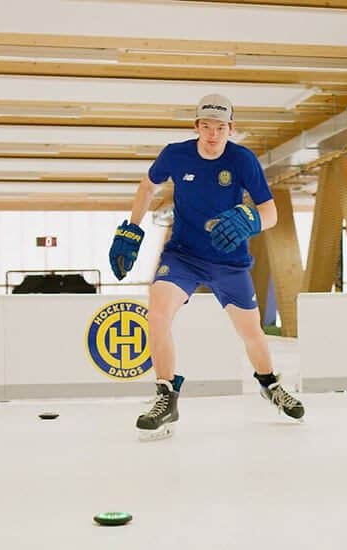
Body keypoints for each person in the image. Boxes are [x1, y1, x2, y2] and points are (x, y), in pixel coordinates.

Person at [108, 93, 305, 441]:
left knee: (252, 333)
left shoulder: (243, 160)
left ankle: (270, 383)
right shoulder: (175, 154)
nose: (213, 135)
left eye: (221, 128)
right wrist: (133, 226)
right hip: (183, 254)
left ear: (231, 128)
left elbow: (270, 212)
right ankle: (166, 395)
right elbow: (148, 185)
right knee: (157, 313)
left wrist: (250, 221)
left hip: (228, 259)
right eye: (207, 127)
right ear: (196, 126)